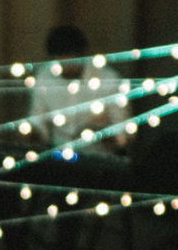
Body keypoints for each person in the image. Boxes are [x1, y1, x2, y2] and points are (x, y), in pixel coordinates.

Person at [28, 24, 131, 154]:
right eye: (61, 62)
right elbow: (38, 121)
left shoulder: (109, 79)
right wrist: (31, 132)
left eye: (71, 61)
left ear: (83, 55)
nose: (67, 68)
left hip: (98, 161)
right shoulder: (45, 76)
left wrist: (97, 133)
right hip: (58, 160)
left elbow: (123, 134)